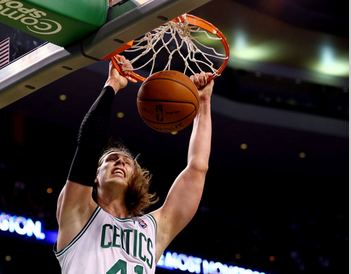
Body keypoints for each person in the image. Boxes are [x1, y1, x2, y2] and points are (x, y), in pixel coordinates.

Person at [53, 55, 214, 274]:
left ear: (133, 179)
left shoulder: (154, 229)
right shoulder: (77, 212)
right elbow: (88, 145)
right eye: (110, 159)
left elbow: (197, 169)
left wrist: (203, 103)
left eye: (127, 162)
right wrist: (113, 84)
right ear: (94, 175)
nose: (119, 161)